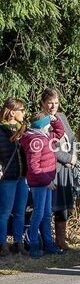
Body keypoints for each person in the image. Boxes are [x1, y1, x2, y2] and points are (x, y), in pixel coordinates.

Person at [40, 88, 80, 252]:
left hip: (67, 169)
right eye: (50, 102)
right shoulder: (41, 120)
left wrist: (74, 156)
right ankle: (46, 241)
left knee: (63, 206)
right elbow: (46, 146)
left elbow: (72, 138)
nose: (53, 106)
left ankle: (61, 240)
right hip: (51, 168)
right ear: (43, 103)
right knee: (49, 206)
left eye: (56, 103)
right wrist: (67, 158)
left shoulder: (62, 117)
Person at [21, 112, 66, 257]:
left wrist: (55, 120)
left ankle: (48, 243)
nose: (50, 126)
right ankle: (33, 243)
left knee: (46, 214)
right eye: (48, 123)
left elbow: (59, 132)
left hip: (46, 182)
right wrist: (47, 181)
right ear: (42, 126)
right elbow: (34, 167)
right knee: (38, 214)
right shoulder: (35, 140)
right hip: (40, 182)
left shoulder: (45, 136)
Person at [0, 98, 28, 257]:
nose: (24, 113)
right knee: (4, 212)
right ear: (12, 112)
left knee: (20, 211)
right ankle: (2, 244)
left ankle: (18, 242)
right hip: (7, 177)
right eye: (21, 110)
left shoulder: (22, 129)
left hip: (21, 175)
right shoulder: (0, 129)